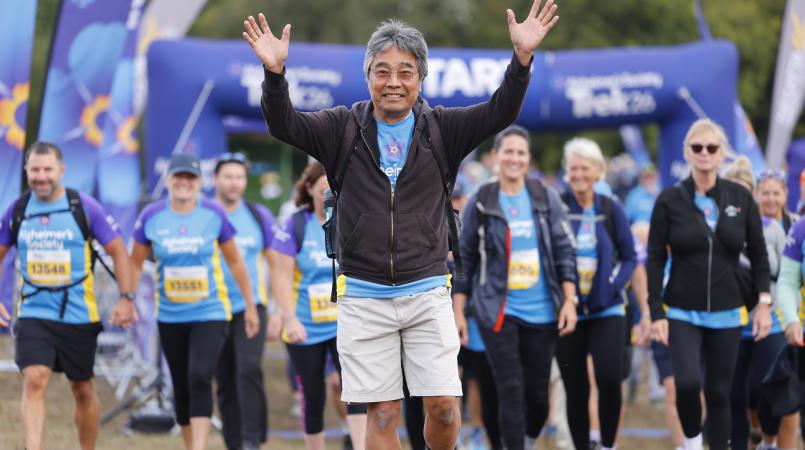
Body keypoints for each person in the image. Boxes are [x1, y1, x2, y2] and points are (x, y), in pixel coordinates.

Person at [242, 2, 559, 448]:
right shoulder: (341, 128)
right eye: (383, 71)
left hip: (428, 290)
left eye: (406, 72)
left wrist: (521, 59)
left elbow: (499, 112)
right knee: (384, 412)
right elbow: (284, 124)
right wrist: (275, 74)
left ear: (420, 79)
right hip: (363, 294)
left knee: (444, 406)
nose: (394, 82)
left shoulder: (442, 129)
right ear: (368, 77)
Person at [0, 141, 135, 450]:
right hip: (34, 311)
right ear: (26, 171)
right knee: (35, 377)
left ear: (61, 170)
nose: (41, 176)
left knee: (82, 388)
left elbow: (118, 250)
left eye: (47, 169)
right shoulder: (17, 210)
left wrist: (126, 297)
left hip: (78, 313)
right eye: (35, 169)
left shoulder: (83, 207)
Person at [647, 119, 772, 450]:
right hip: (681, 310)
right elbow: (655, 258)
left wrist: (764, 303)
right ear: (687, 152)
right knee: (688, 384)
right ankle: (691, 442)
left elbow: (759, 253)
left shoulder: (740, 197)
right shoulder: (669, 200)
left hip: (727, 310)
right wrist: (655, 311)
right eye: (697, 147)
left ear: (721, 154)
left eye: (711, 147)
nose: (704, 152)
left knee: (719, 393)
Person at [454, 125, 577, 450]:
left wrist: (569, 300)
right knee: (509, 390)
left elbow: (564, 250)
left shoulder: (545, 197)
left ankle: (526, 441)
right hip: (498, 312)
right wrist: (459, 312)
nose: (514, 158)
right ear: (496, 156)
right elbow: (465, 259)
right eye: (508, 151)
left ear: (528, 158)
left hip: (542, 312)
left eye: (520, 153)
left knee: (538, 399)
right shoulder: (481, 201)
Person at [131, 153, 260, 450]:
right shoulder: (151, 215)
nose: (184, 183)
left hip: (210, 312)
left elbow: (236, 261)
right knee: (181, 385)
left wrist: (251, 306)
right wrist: (127, 299)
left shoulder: (214, 213)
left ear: (199, 183)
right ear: (168, 180)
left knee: (200, 376)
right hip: (170, 315)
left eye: (190, 178)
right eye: (179, 176)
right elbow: (134, 263)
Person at [268, 161, 368, 450]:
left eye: (333, 188)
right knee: (313, 398)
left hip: (345, 324)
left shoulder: (351, 220)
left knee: (355, 391)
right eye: (322, 188)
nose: (328, 194)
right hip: (305, 327)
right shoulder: (296, 224)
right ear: (309, 188)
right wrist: (288, 319)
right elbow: (281, 276)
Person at [556, 137, 636, 450]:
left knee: (609, 378)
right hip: (569, 312)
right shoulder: (558, 206)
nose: (578, 174)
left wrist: (613, 286)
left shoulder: (611, 208)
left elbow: (630, 258)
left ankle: (607, 443)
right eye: (573, 168)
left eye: (584, 168)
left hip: (607, 309)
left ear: (598, 171)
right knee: (575, 388)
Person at [722, 158, 795, 450]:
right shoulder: (726, 225)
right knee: (736, 396)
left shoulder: (785, 227)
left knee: (775, 389)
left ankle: (769, 441)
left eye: (776, 192)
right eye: (765, 192)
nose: (770, 199)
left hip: (773, 320)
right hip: (733, 321)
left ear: (785, 195)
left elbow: (784, 274)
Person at [212, 152, 276, 450]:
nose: (234, 183)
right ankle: (233, 442)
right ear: (216, 179)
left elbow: (276, 263)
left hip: (251, 307)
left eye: (239, 177)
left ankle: (252, 440)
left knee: (248, 369)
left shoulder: (257, 215)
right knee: (224, 378)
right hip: (213, 309)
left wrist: (278, 310)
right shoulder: (205, 213)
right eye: (228, 176)